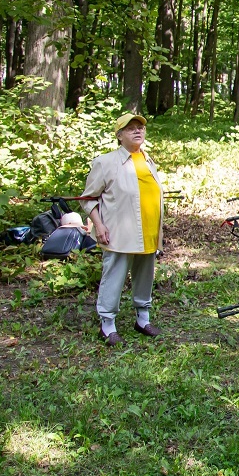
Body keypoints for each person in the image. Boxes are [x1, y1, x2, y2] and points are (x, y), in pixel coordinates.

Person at [80, 113, 166, 346]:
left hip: (148, 232)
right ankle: (107, 325)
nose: (138, 131)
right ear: (119, 136)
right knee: (115, 275)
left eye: (141, 127)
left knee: (145, 276)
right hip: (119, 232)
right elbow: (88, 199)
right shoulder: (105, 162)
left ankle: (142, 319)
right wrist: (99, 225)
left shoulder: (148, 161)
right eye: (130, 129)